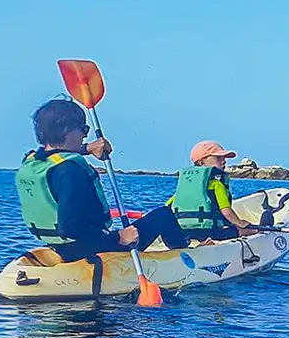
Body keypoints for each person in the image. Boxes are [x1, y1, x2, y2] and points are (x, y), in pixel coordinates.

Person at [14, 98, 189, 262]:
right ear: (67, 131)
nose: (84, 136)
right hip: (92, 247)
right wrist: (118, 237)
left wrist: (87, 148)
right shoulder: (71, 171)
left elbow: (53, 153)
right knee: (163, 215)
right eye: (83, 130)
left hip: (60, 246)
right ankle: (185, 253)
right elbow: (70, 227)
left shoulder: (32, 161)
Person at [168, 140, 257, 239]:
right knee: (246, 230)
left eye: (224, 158)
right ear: (201, 162)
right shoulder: (216, 184)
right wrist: (240, 223)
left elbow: (167, 207)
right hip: (211, 233)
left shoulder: (184, 187)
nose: (224, 161)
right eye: (218, 158)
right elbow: (226, 211)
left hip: (183, 233)